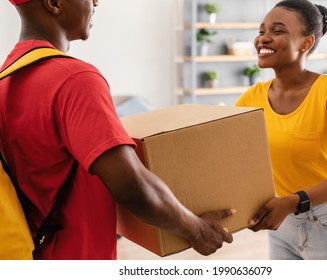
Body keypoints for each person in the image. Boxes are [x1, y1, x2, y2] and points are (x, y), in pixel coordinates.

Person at [0, 0, 234, 260]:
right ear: (54, 3)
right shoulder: (75, 78)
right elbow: (131, 186)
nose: (96, 2)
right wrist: (197, 230)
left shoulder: (4, 80)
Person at [235, 0, 327, 260]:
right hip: (281, 221)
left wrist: (296, 201)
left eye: (278, 31)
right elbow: (225, 153)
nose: (263, 38)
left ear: (306, 43)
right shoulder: (251, 98)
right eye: (262, 31)